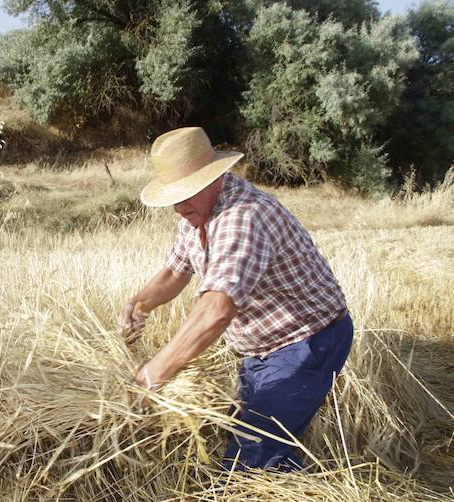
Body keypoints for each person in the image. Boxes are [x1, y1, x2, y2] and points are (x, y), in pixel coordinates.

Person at [118, 126, 353, 471]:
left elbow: (216, 309)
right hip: (258, 351)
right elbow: (174, 272)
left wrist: (152, 376)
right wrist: (138, 304)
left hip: (306, 342)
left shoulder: (242, 217)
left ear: (215, 179)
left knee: (250, 459)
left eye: (186, 193)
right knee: (239, 430)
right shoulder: (195, 214)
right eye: (174, 196)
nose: (179, 207)